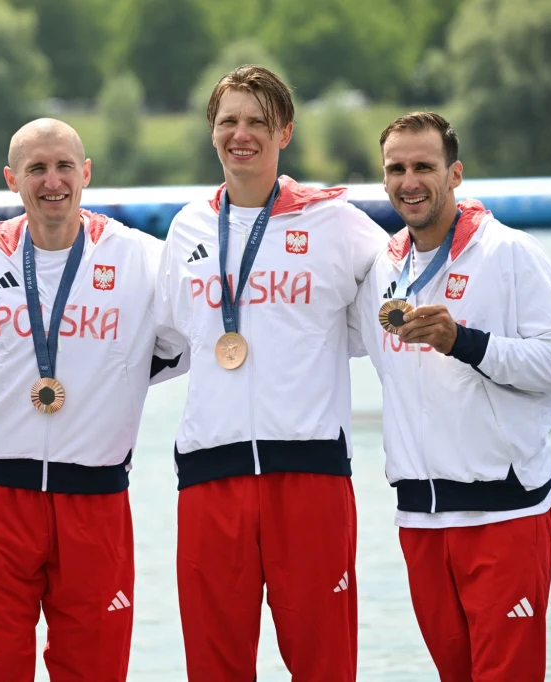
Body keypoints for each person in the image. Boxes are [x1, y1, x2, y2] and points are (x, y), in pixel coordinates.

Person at [0, 118, 184, 682]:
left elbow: (187, 344)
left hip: (95, 501)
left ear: (86, 173)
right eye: (36, 168)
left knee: (94, 670)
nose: (52, 181)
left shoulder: (140, 256)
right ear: (12, 179)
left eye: (64, 165)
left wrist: (117, 379)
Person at [153, 65, 388, 681]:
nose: (242, 134)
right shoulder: (187, 229)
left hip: (309, 475)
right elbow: (165, 342)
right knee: (215, 666)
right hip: (209, 477)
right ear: (211, 132)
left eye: (258, 121)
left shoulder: (336, 221)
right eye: (229, 120)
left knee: (324, 665)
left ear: (284, 132)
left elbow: (408, 288)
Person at [347, 112, 551, 681]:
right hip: (421, 518)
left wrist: (465, 343)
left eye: (424, 166)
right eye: (397, 168)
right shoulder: (383, 265)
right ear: (383, 179)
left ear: (455, 174)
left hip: (503, 513)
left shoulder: (509, 252)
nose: (410, 180)